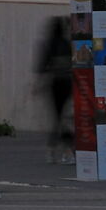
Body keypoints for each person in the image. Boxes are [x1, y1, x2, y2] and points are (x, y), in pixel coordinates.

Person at [36, 16, 74, 164]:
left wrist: (38, 84)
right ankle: (65, 151)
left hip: (55, 84)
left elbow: (42, 66)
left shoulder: (49, 44)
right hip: (67, 83)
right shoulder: (66, 44)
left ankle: (54, 150)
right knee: (63, 118)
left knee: (60, 118)